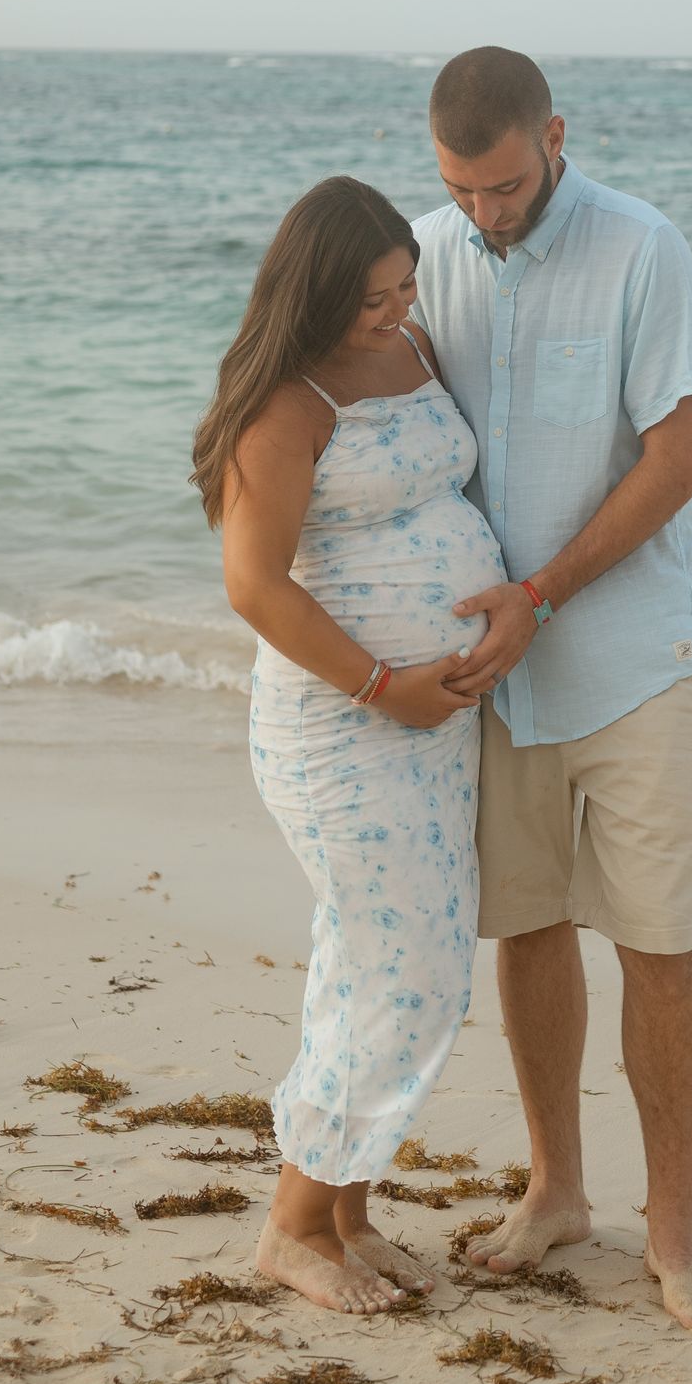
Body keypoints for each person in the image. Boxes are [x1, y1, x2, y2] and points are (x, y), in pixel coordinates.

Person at [412, 46, 692, 1333]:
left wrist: (540, 594)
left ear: (555, 134)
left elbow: (684, 453)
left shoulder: (642, 247)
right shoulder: (431, 253)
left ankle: (672, 1225)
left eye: (504, 184)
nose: (487, 214)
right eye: (462, 189)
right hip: (496, 676)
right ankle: (557, 1191)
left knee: (659, 947)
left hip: (637, 663)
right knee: (531, 928)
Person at [193, 175, 496, 1314]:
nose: (397, 309)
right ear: (315, 291)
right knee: (404, 971)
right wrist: (383, 685)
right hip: (342, 728)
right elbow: (253, 586)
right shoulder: (285, 402)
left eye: (406, 285)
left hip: (425, 722)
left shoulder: (407, 348)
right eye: (374, 295)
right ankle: (289, 1226)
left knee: (373, 961)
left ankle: (347, 1210)